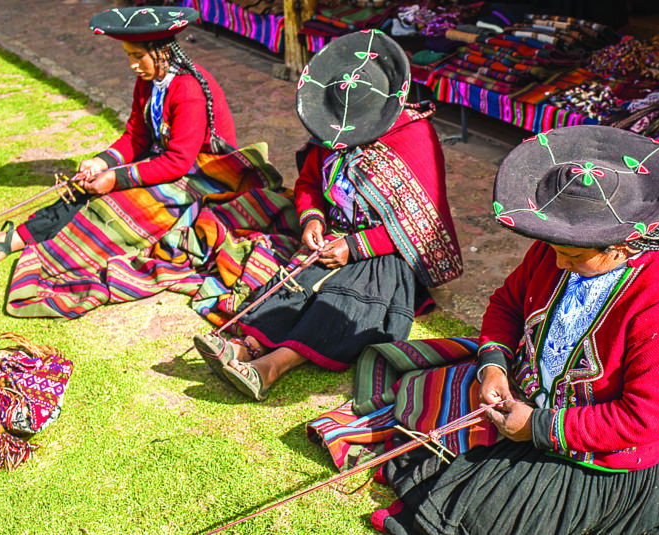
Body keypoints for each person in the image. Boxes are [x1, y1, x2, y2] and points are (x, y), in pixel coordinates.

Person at [308, 125, 659, 534]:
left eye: (571, 256)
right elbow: (508, 304)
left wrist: (539, 427)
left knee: (476, 514)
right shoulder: (565, 247)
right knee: (429, 431)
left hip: (612, 443)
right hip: (537, 394)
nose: (558, 263)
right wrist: (493, 365)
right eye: (555, 249)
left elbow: (642, 421)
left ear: (619, 246)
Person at [0, 7, 287, 318]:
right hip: (169, 163)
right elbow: (135, 138)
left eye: (138, 57)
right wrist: (100, 162)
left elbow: (180, 161)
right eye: (129, 57)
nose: (133, 65)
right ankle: (10, 239)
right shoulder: (148, 83)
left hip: (206, 176)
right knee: (84, 185)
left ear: (163, 52)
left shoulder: (188, 89)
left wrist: (116, 180)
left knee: (110, 204)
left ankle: (15, 242)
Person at [193, 30, 464, 401]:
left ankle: (269, 369)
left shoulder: (412, 137)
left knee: (344, 299)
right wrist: (312, 219)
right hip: (333, 236)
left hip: (389, 252)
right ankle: (246, 346)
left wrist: (355, 247)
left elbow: (422, 227)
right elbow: (308, 183)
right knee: (293, 283)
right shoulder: (333, 131)